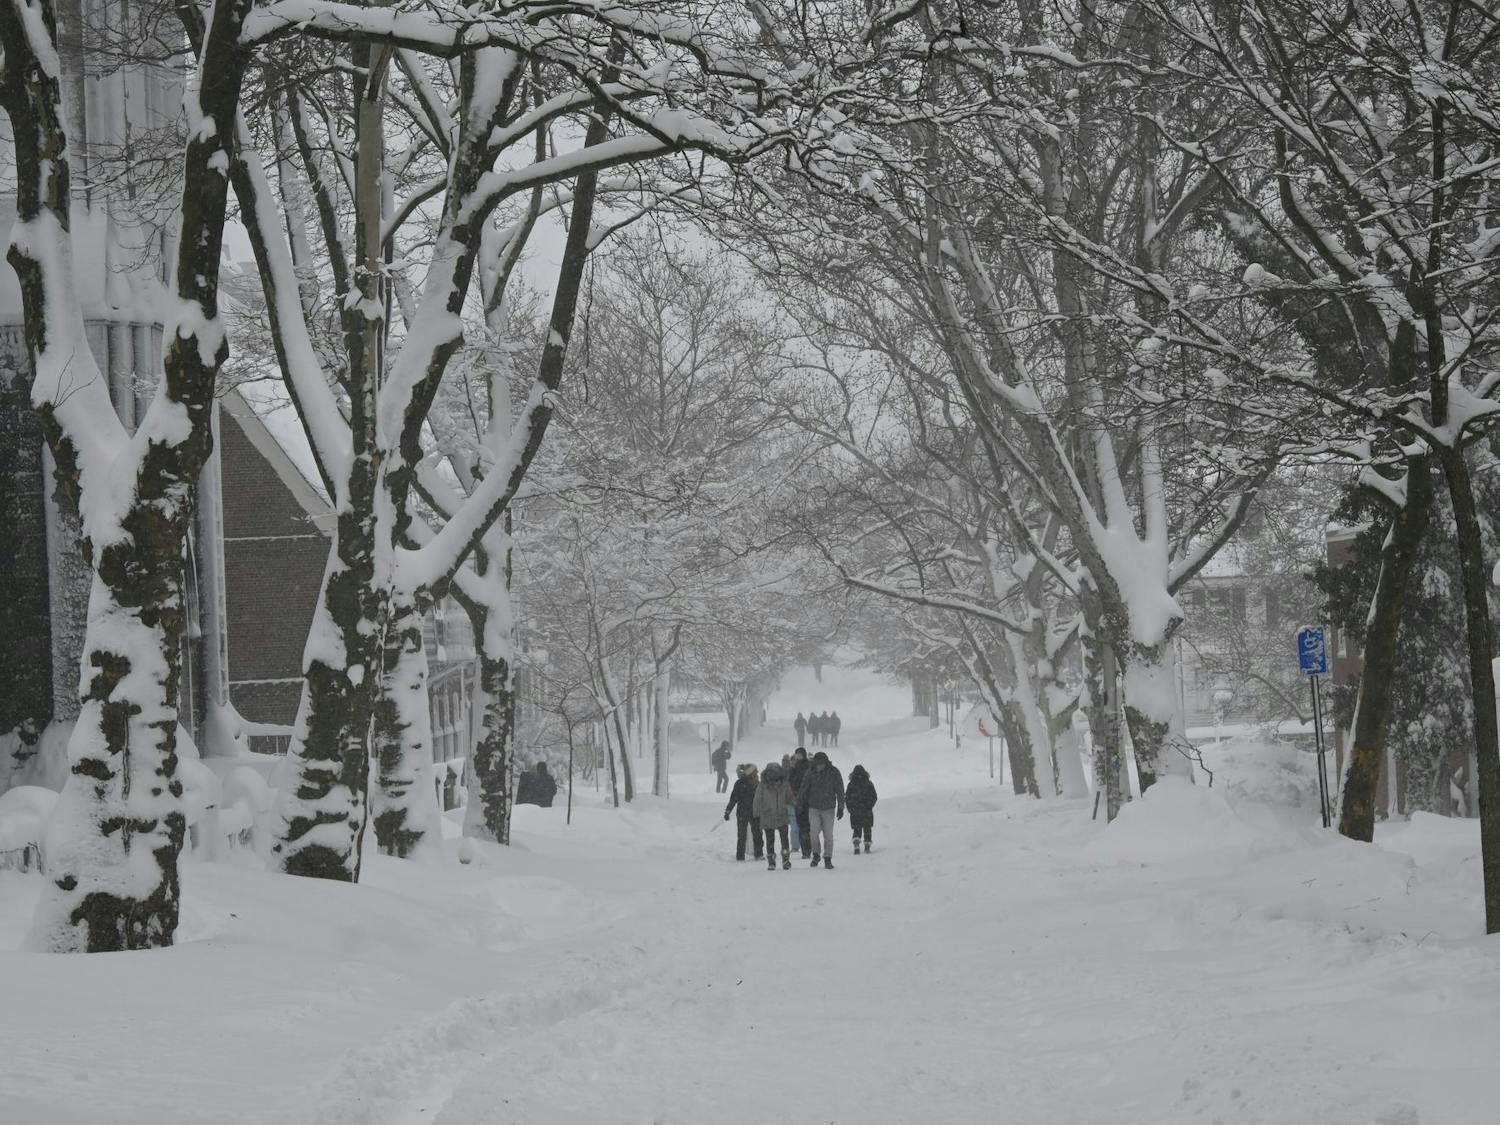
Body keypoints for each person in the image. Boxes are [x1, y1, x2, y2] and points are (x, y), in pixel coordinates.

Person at [797, 750, 845, 869]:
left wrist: (841, 807)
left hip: (829, 808)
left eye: (822, 763)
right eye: (818, 764)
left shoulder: (834, 772)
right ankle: (816, 854)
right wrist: (800, 804)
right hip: (813, 807)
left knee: (828, 835)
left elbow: (840, 790)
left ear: (826, 762)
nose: (820, 766)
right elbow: (803, 788)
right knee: (813, 833)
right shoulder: (810, 772)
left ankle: (828, 857)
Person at [753, 761, 794, 870]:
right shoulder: (763, 785)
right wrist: (756, 814)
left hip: (781, 815)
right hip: (768, 815)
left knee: (782, 839)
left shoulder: (784, 784)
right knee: (771, 840)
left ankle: (785, 859)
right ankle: (772, 860)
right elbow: (757, 800)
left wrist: (797, 806)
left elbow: (790, 798)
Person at [724, 763, 762, 861]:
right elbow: (733, 799)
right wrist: (728, 811)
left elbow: (762, 799)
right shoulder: (740, 784)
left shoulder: (757, 783)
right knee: (742, 836)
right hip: (743, 813)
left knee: (757, 834)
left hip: (755, 813)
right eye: (755, 771)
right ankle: (740, 856)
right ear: (750, 772)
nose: (757, 773)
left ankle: (759, 854)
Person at [845, 764, 877, 853]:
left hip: (855, 811)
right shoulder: (868, 783)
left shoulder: (851, 784)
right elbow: (874, 796)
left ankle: (856, 844)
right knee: (867, 829)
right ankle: (867, 845)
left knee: (856, 828)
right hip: (867, 811)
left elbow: (847, 797)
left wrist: (850, 807)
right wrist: (869, 805)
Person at [787, 747, 812, 857]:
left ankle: (806, 847)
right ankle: (797, 846)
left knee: (805, 826)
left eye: (799, 754)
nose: (797, 756)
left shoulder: (809, 768)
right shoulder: (793, 768)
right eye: (796, 754)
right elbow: (789, 782)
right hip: (794, 800)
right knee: (795, 825)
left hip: (806, 800)